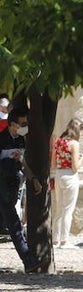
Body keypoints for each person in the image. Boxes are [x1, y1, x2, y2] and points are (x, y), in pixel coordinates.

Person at [0, 106, 39, 271]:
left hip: (12, 186)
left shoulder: (20, 140)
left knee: (12, 222)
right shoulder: (1, 140)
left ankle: (29, 260)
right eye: (22, 123)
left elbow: (23, 163)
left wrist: (33, 178)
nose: (25, 126)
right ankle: (29, 260)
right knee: (14, 224)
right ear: (13, 124)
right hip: (2, 185)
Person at [52, 118, 83, 249]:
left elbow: (53, 164)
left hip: (59, 175)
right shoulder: (74, 144)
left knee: (59, 209)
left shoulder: (59, 142)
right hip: (70, 176)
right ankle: (65, 240)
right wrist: (82, 157)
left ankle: (55, 240)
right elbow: (75, 167)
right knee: (68, 210)